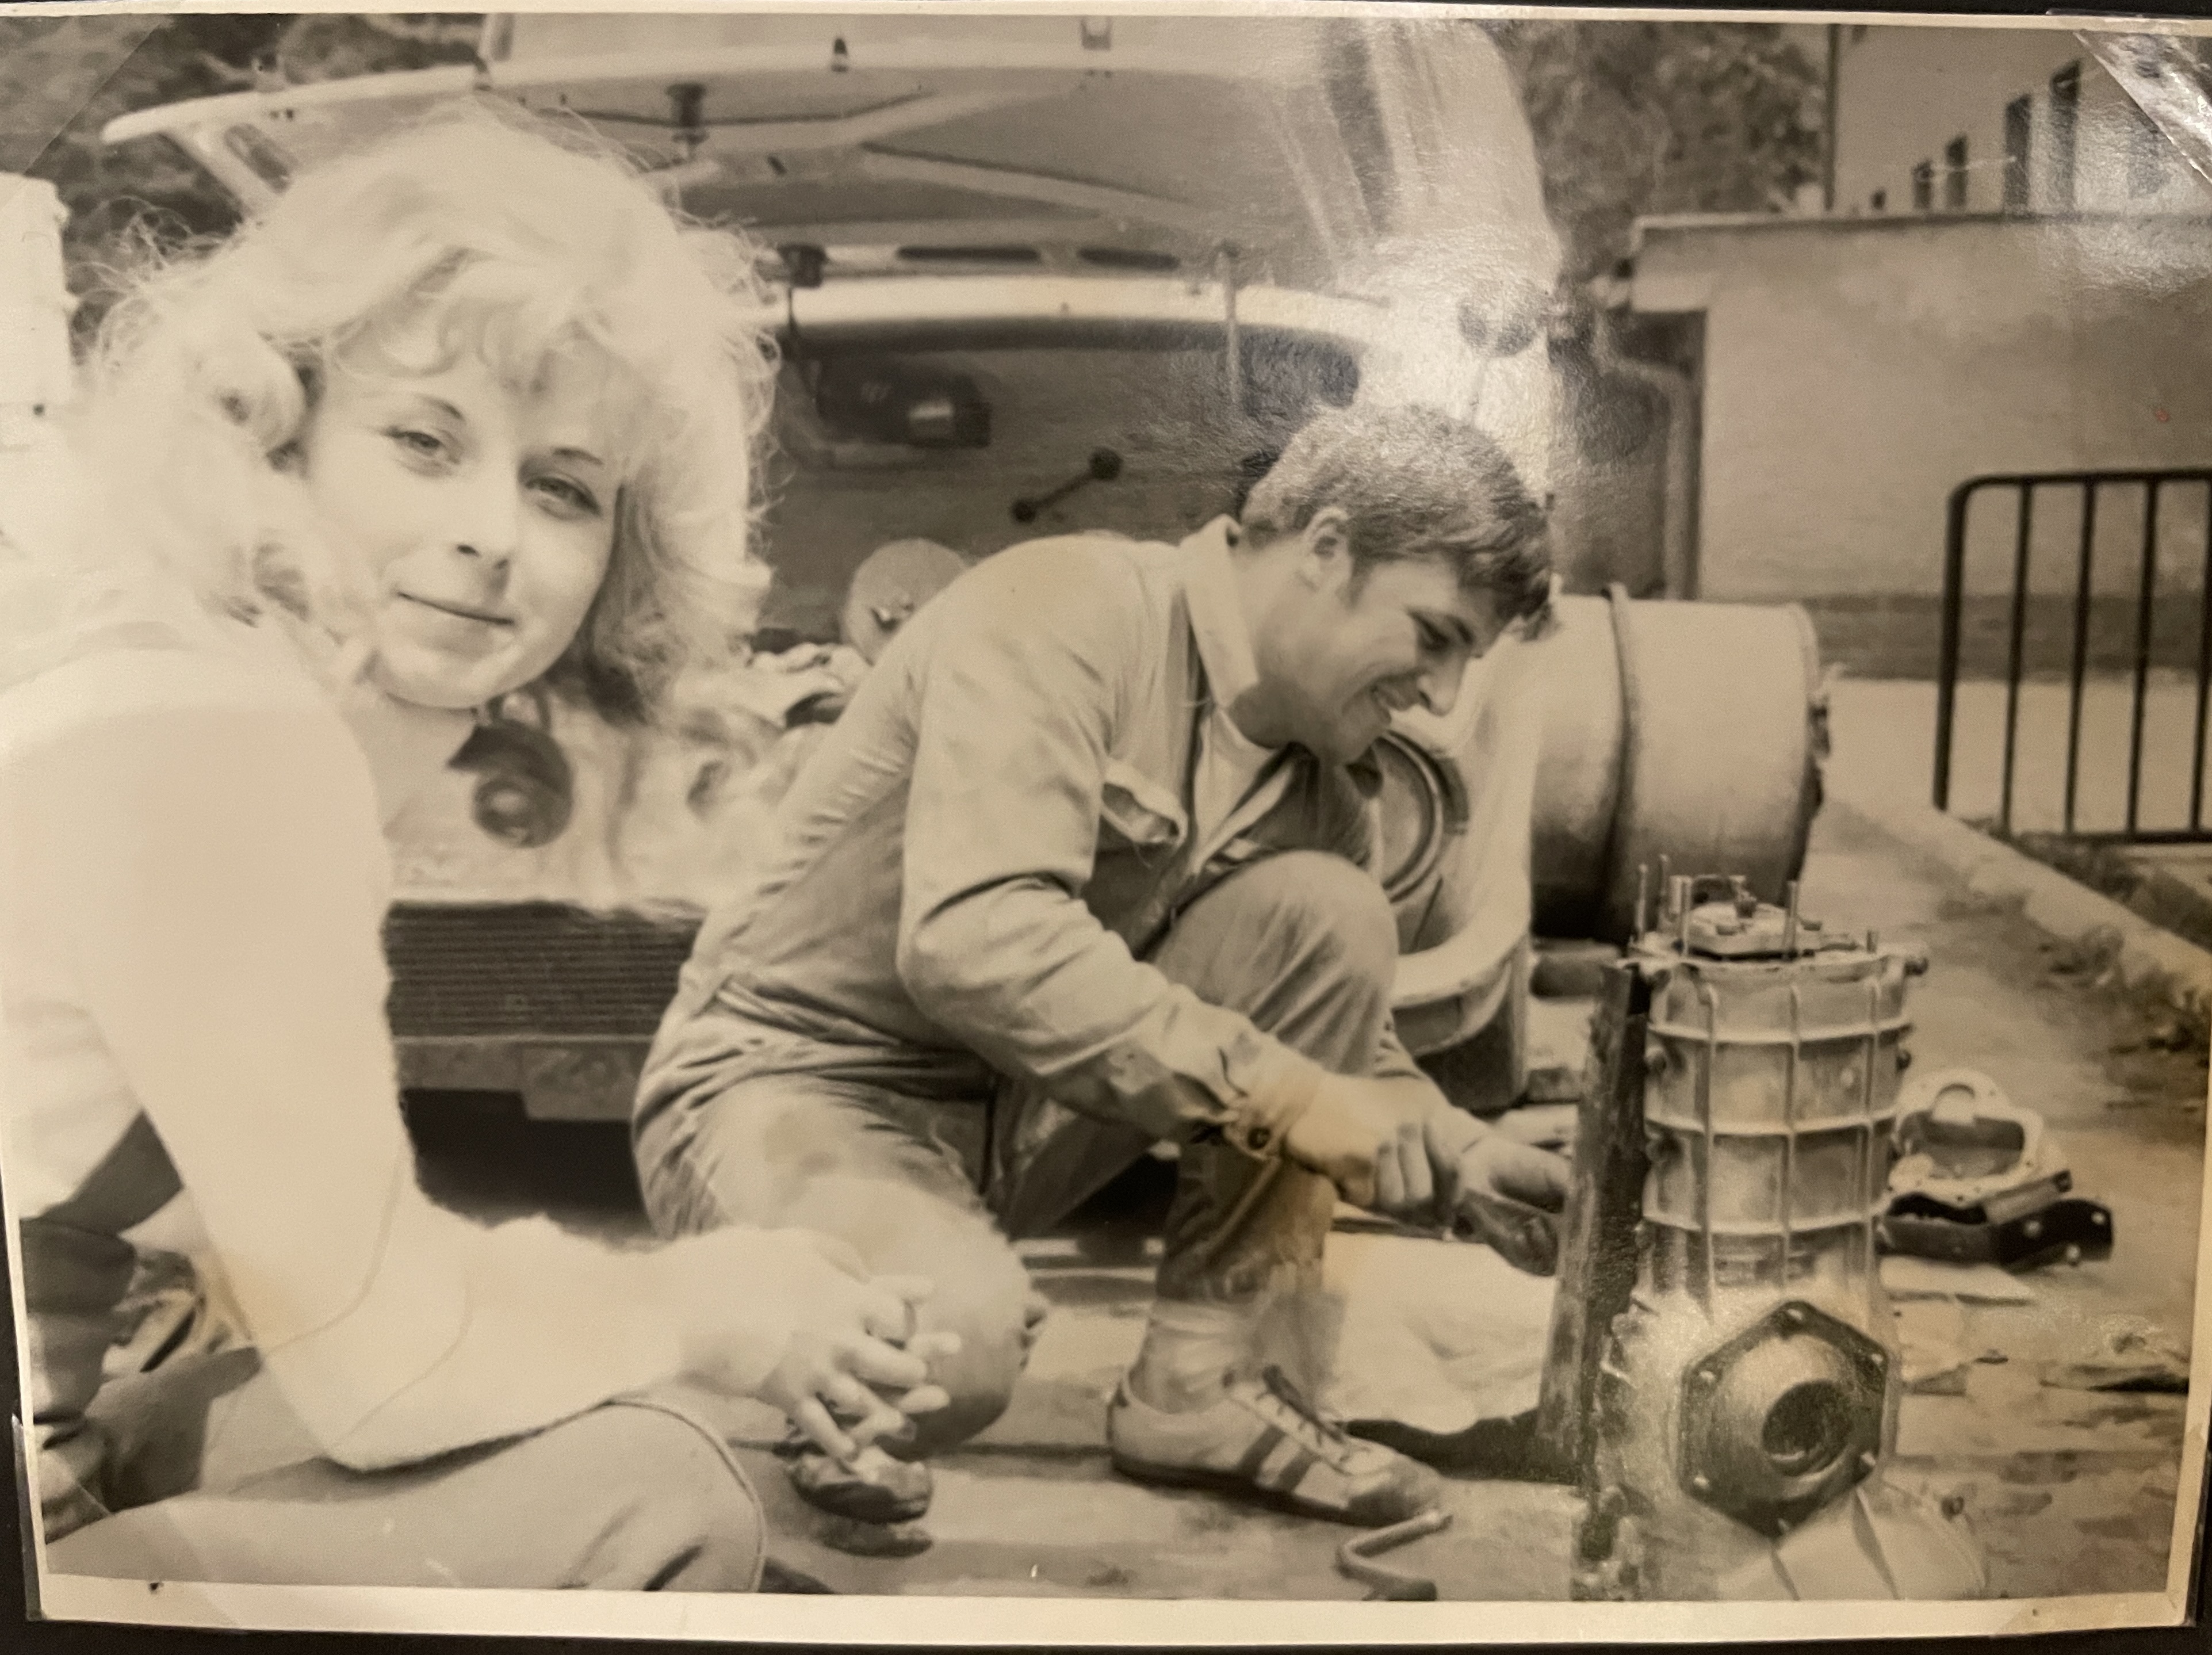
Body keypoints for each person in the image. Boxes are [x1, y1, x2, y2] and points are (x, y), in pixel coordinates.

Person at [0, 105, 956, 1592]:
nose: (494, 532)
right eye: (424, 440)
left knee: (612, 1401)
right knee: (664, 1484)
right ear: (277, 435)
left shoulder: (176, 686)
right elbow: (385, 1374)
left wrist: (707, 1300)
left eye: (562, 484)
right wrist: (716, 1304)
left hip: (53, 1451)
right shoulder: (221, 746)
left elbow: (348, 1265)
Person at [634, 403, 1574, 1537]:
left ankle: (1201, 1388)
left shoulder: (1322, 789)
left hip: (1014, 1117)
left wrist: (1463, 1156)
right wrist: (1304, 1107)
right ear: (1327, 549)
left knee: (1329, 913)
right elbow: (975, 939)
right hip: (792, 1085)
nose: (1441, 694)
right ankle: (816, 1322)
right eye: (1434, 635)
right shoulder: (1063, 610)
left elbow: (1336, 1054)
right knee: (949, 1349)